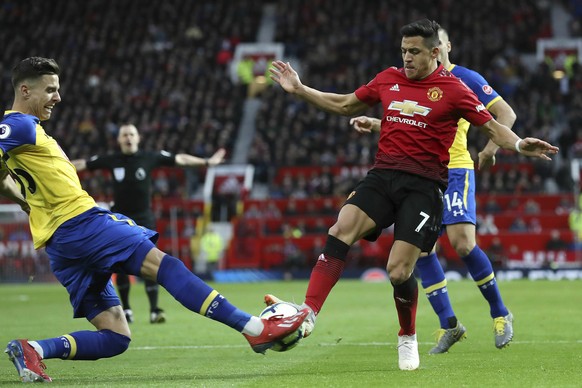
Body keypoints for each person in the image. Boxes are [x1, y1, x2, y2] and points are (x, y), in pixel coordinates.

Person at [266, 19, 558, 371]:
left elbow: (494, 125)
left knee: (398, 270)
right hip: (383, 175)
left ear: (436, 52)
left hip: (425, 187)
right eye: (404, 50)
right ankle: (309, 313)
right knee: (340, 229)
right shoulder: (388, 78)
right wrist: (299, 89)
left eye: (415, 51)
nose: (407, 57)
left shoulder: (455, 89)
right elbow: (345, 104)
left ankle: (408, 335)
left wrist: (520, 144)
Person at [1, 57, 308, 383]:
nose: (58, 97)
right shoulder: (18, 124)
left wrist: (25, 201)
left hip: (60, 244)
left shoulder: (26, 133)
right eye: (50, 90)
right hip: (81, 223)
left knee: (116, 336)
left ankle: (32, 349)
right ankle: (256, 328)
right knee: (166, 266)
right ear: (25, 89)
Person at [349, 27, 519, 354]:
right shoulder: (412, 80)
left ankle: (500, 313)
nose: (429, 50)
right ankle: (449, 324)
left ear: (445, 47)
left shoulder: (465, 79)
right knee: (421, 251)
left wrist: (491, 148)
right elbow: (415, 123)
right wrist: (375, 124)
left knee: (462, 243)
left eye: (437, 43)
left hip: (455, 168)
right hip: (421, 172)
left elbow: (505, 114)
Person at [71, 124, 225, 324]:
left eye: (132, 134)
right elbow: (82, 164)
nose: (128, 137)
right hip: (120, 220)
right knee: (120, 264)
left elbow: (180, 159)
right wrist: (52, 166)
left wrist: (207, 161)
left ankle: (154, 309)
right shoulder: (111, 160)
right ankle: (126, 309)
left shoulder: (149, 157)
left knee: (151, 261)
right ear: (118, 140)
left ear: (138, 138)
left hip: (144, 218)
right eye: (124, 134)